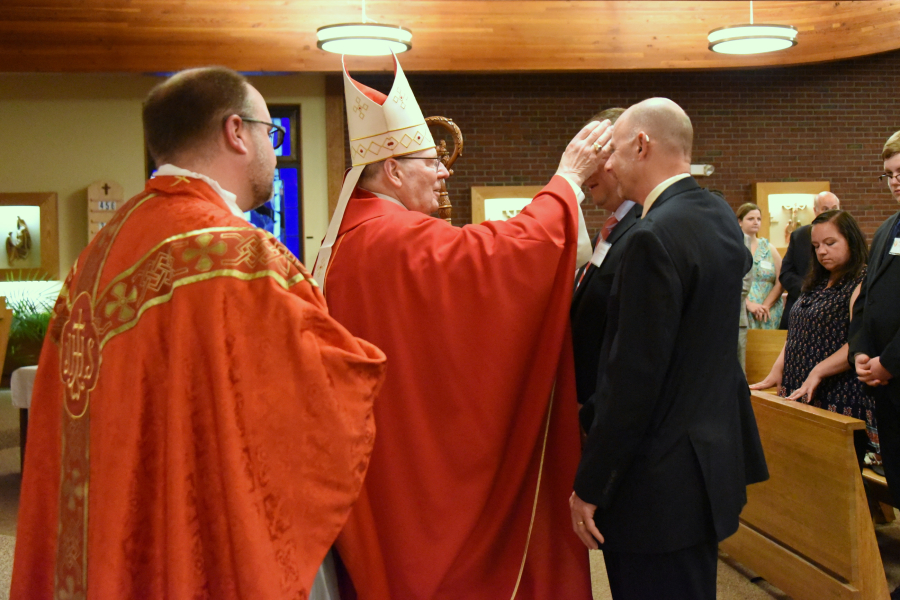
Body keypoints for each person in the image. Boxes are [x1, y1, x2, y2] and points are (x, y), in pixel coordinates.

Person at [10, 67, 387, 600]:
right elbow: (324, 391)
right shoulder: (236, 254)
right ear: (237, 131)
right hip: (199, 526)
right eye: (269, 134)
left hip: (110, 537)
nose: (273, 152)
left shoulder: (96, 257)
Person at [317, 55, 608, 599]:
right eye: (432, 161)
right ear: (395, 171)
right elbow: (500, 260)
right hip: (416, 469)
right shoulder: (390, 236)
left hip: (385, 455)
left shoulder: (353, 238)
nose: (445, 170)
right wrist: (565, 182)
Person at [569, 98, 768, 600]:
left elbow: (632, 380)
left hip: (657, 482)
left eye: (612, 151)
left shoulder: (651, 237)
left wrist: (591, 483)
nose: (607, 164)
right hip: (705, 464)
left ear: (642, 145)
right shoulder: (718, 215)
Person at [750, 210, 878, 460]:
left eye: (830, 244)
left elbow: (859, 341)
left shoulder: (862, 280)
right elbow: (798, 333)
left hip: (838, 393)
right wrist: (777, 370)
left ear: (851, 240)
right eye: (816, 246)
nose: (821, 252)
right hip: (800, 386)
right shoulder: (818, 281)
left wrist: (817, 371)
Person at [571, 107, 643, 434]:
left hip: (611, 415)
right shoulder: (616, 227)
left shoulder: (644, 227)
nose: (586, 173)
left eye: (594, 155)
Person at [851, 130, 900, 518]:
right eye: (889, 174)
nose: (895, 181)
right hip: (883, 379)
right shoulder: (887, 228)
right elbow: (866, 299)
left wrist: (890, 361)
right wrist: (861, 351)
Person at [779, 191, 841, 329]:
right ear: (815, 211)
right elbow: (786, 274)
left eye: (834, 209)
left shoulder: (847, 237)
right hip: (800, 307)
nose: (830, 213)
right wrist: (810, 291)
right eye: (825, 209)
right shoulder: (800, 236)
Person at [737, 202, 784, 329]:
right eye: (751, 219)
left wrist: (765, 306)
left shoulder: (769, 248)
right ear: (740, 221)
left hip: (768, 312)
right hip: (741, 310)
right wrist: (748, 304)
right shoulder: (735, 248)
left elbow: (781, 280)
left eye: (758, 219)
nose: (755, 222)